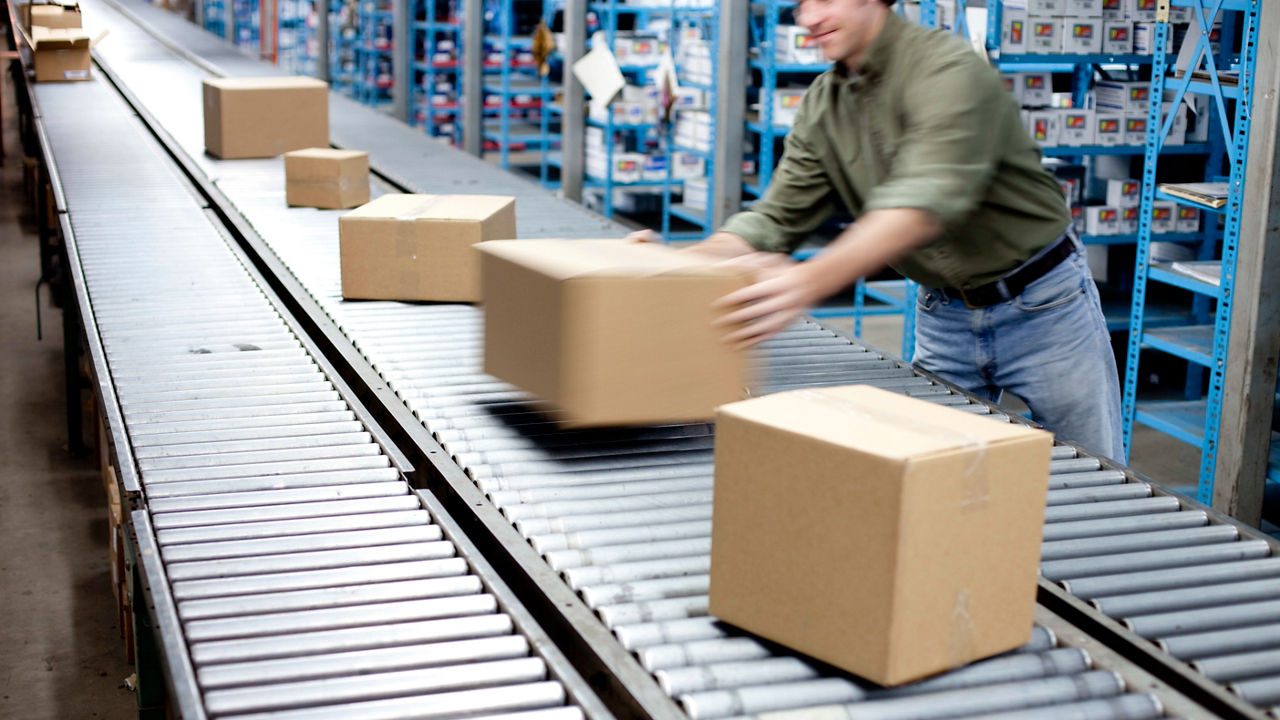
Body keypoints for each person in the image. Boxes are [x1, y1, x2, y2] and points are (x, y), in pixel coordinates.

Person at [633, 0, 1124, 459]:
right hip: (944, 314)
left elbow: (922, 203)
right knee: (937, 477)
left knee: (1099, 481)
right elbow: (773, 219)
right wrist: (676, 265)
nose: (807, 16)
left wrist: (805, 282)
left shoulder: (949, 69)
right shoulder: (823, 107)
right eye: (802, 2)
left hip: (1044, 305)